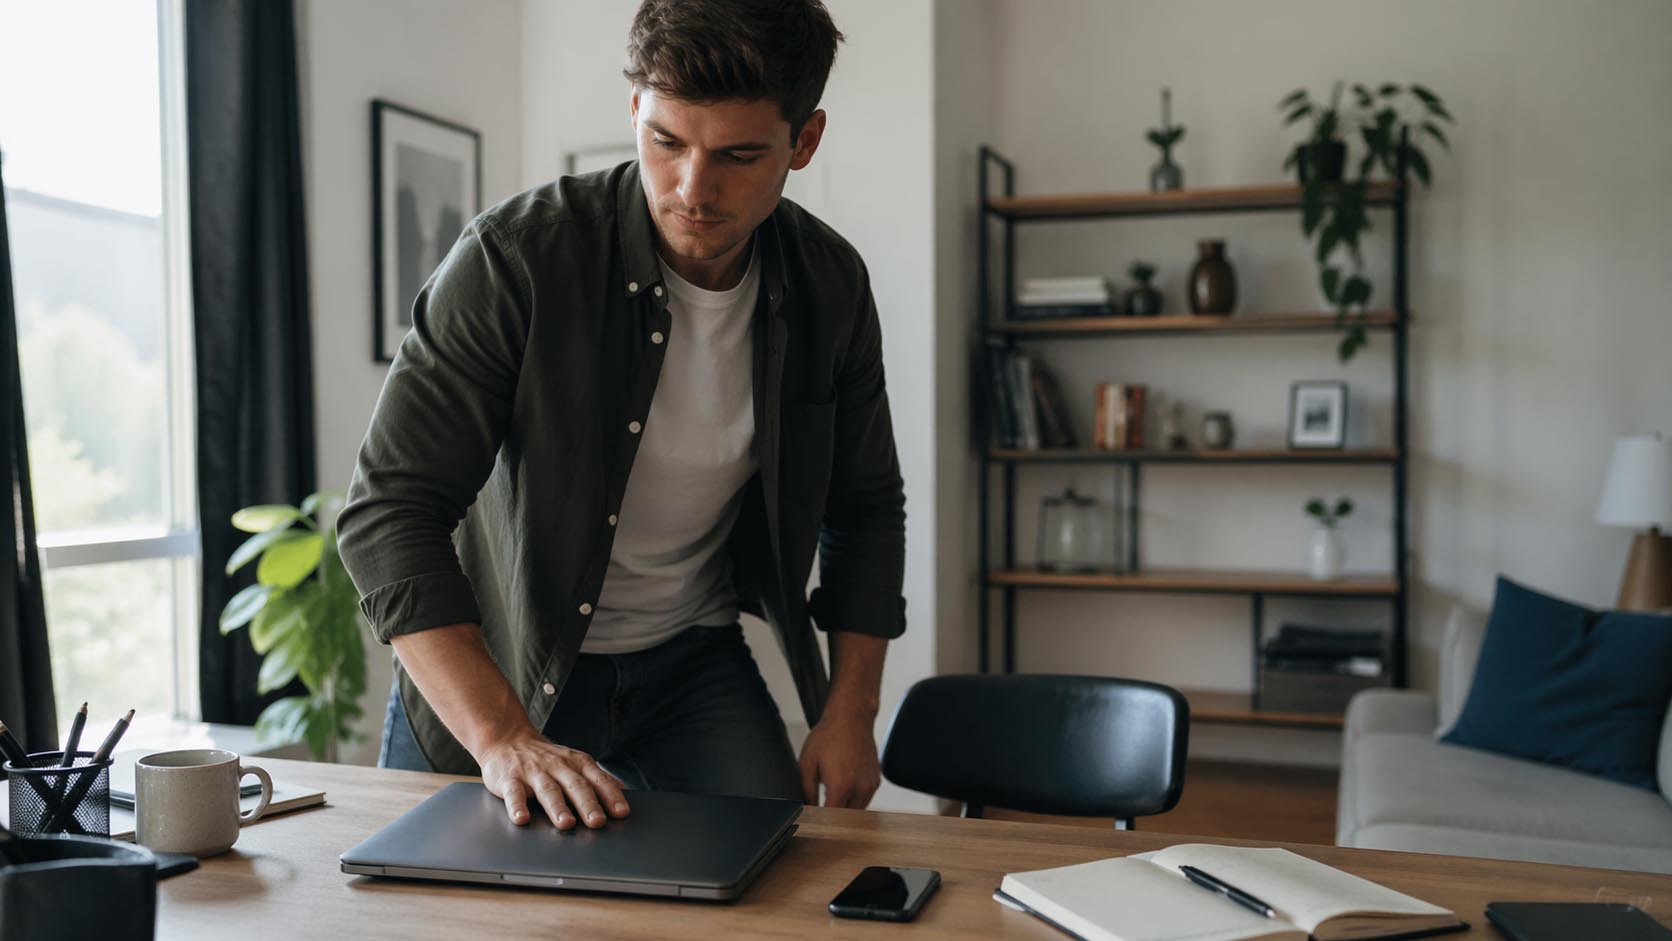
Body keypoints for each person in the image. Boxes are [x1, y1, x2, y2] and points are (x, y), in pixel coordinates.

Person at [336, 0, 906, 833]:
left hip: (692, 664)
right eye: (666, 141)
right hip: (500, 664)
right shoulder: (515, 259)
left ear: (805, 141)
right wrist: (501, 737)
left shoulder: (831, 285)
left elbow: (864, 507)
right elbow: (389, 512)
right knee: (450, 897)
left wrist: (850, 710)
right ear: (635, 107)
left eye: (739, 155)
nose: (693, 189)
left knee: (771, 876)